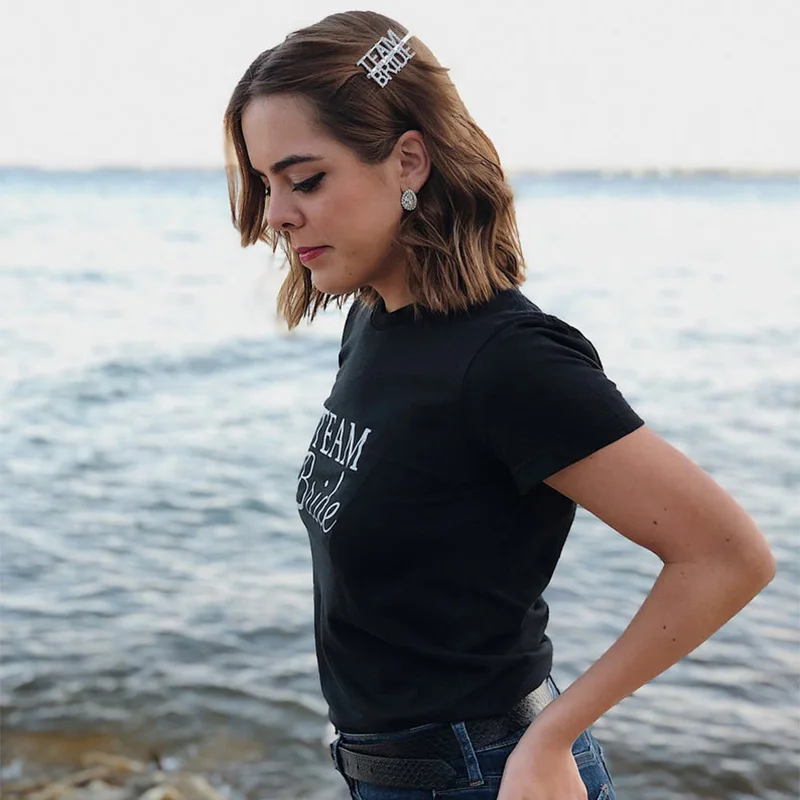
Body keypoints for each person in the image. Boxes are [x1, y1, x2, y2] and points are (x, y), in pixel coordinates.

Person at [222, 11, 776, 800]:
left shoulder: (507, 358)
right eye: (267, 183)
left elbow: (727, 556)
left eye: (304, 179)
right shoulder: (373, 325)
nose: (277, 214)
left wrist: (551, 741)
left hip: (489, 777)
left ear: (408, 160)